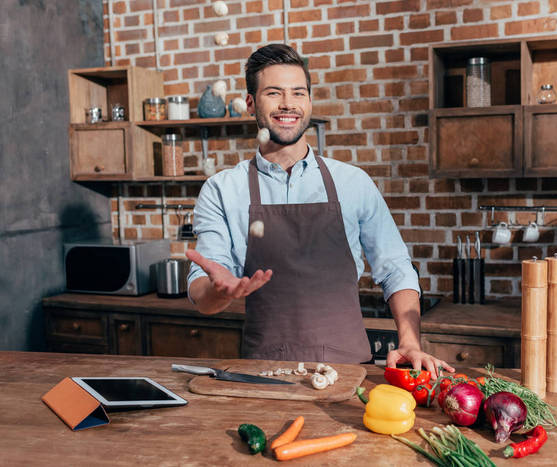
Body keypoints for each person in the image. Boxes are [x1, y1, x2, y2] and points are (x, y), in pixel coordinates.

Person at [186, 43, 454, 379]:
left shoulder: (352, 182)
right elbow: (203, 293)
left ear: (309, 102)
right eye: (274, 93)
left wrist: (411, 341)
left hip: (349, 372)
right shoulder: (222, 190)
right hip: (264, 377)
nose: (288, 104)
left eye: (298, 92)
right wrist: (218, 292)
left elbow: (396, 268)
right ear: (251, 102)